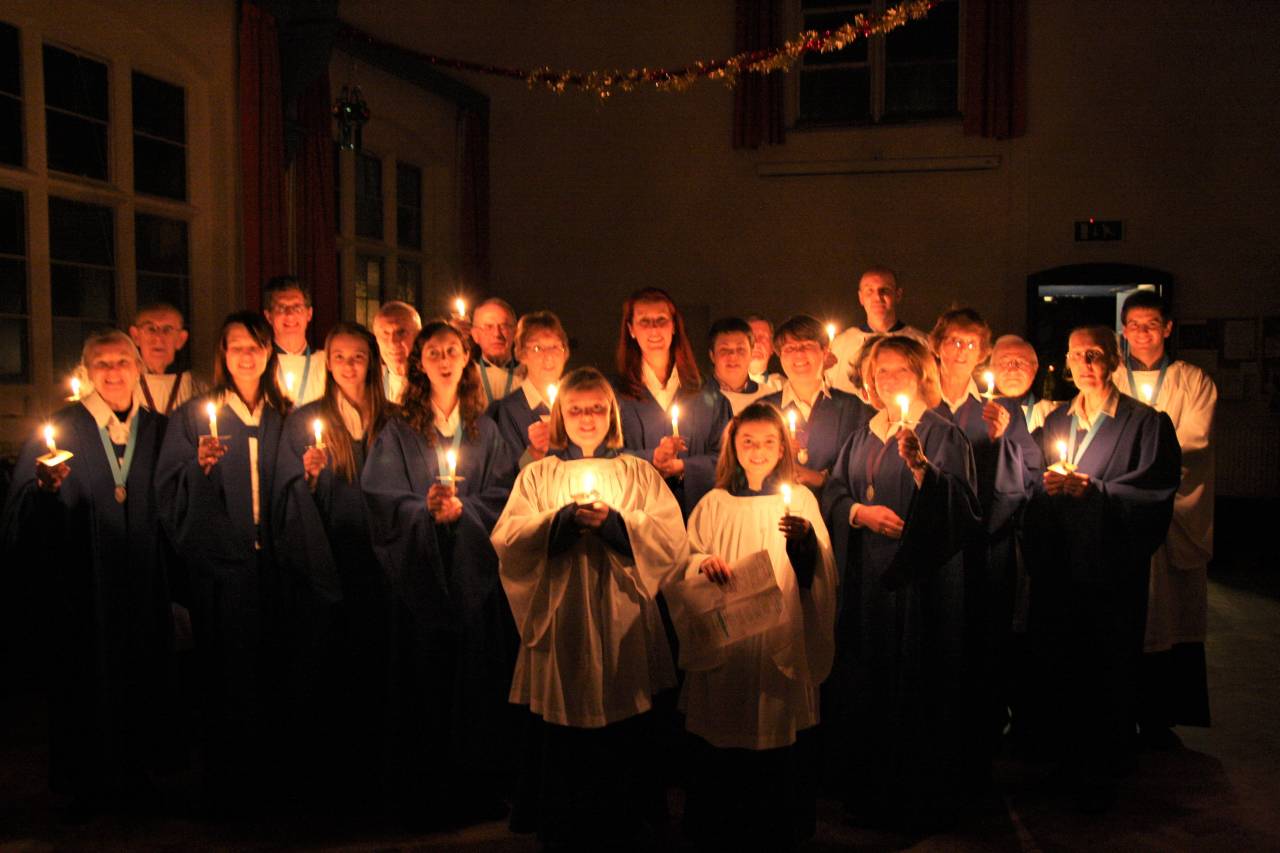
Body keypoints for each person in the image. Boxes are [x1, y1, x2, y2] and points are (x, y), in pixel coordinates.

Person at [490, 367, 689, 848]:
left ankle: (627, 821)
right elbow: (508, 537)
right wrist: (558, 523)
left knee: (624, 715)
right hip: (563, 617)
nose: (586, 418)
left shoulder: (637, 471)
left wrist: (616, 526)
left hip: (622, 612)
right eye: (575, 410)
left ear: (611, 414)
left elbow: (669, 537)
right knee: (565, 719)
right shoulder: (539, 474)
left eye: (596, 408)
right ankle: (565, 823)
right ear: (561, 414)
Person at [2, 331, 172, 817]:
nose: (114, 372)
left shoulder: (159, 430)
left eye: (122, 361)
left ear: (138, 368)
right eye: (102, 364)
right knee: (86, 674)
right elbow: (18, 516)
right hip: (84, 581)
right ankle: (87, 783)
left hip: (142, 576)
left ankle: (139, 775)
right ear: (87, 370)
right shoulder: (60, 427)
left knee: (141, 670)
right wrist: (43, 491)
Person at [821, 335, 980, 830]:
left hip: (921, 581)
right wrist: (857, 513)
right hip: (870, 580)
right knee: (870, 676)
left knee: (917, 676)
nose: (889, 381)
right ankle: (870, 787)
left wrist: (920, 469)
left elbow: (961, 506)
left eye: (900, 372)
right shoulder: (863, 434)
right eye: (881, 372)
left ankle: (917, 795)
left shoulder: (942, 434)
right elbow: (835, 492)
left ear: (920, 377)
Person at [361, 319, 516, 826]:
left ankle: (475, 791)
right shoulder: (399, 431)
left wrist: (463, 514)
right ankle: (422, 795)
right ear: (419, 364)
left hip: (473, 579)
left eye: (453, 350)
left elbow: (502, 498)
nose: (445, 360)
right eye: (434, 353)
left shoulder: (486, 429)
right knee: (422, 686)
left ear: (467, 358)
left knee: (473, 687)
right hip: (420, 582)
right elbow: (381, 496)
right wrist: (422, 510)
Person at [1022, 325, 1180, 812]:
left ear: (1113, 359)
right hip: (1060, 568)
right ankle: (1062, 762)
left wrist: (1098, 492)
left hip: (1109, 570)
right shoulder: (1054, 423)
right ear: (1065, 363)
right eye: (1076, 355)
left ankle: (1105, 768)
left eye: (1095, 354)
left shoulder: (1145, 423)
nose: (1085, 364)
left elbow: (1155, 490)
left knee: (1106, 663)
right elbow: (1028, 477)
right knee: (1060, 661)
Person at [677, 402, 836, 851]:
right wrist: (702, 563)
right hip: (727, 639)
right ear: (733, 445)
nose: (758, 449)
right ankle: (721, 826)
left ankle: (778, 828)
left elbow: (823, 572)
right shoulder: (714, 503)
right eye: (748, 441)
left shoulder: (801, 500)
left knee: (776, 723)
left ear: (783, 447)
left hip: (779, 635)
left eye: (769, 441)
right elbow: (686, 559)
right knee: (723, 730)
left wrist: (804, 544)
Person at [154, 311, 292, 813]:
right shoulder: (195, 416)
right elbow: (167, 490)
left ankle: (272, 783)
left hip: (274, 566)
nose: (247, 354)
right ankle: (227, 789)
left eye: (256, 345)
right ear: (223, 354)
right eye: (236, 346)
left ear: (271, 351)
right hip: (222, 569)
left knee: (273, 674)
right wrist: (199, 468)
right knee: (224, 678)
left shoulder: (284, 415)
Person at [272, 322, 389, 810]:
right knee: (332, 669)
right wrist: (311, 480)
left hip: (384, 560)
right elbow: (287, 496)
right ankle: (333, 783)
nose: (348, 365)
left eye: (358, 356)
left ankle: (381, 774)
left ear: (372, 361)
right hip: (335, 560)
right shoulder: (306, 420)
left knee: (381, 671)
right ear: (327, 362)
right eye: (338, 356)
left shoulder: (394, 417)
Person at [929, 308, 1042, 772]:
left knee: (981, 642)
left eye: (971, 344)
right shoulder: (917, 404)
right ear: (936, 345)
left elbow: (1029, 474)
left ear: (982, 354)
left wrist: (1002, 442)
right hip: (935, 545)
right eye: (953, 341)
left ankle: (978, 743)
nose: (960, 350)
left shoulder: (999, 411)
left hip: (983, 546)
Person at [1113, 291, 1216, 747]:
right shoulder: (1111, 377)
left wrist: (1150, 458)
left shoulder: (1194, 381)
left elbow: (1194, 443)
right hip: (1124, 514)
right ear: (1123, 330)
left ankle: (1161, 719)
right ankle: (1121, 710)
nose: (1142, 332)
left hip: (1172, 514)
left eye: (1151, 323)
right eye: (1133, 324)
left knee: (1170, 615)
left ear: (1168, 327)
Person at [612, 287, 732, 518]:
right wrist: (651, 459)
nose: (654, 329)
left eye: (661, 320)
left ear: (674, 326)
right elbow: (606, 454)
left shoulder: (706, 393)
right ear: (631, 330)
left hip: (699, 515)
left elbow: (728, 457)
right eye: (644, 322)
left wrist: (685, 467)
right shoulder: (615, 394)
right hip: (640, 515)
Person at [761, 315, 871, 499]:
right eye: (789, 349)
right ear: (780, 356)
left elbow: (863, 469)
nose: (799, 354)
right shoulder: (764, 409)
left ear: (825, 351)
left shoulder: (853, 408)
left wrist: (821, 479)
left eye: (807, 346)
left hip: (835, 515)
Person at [826, 265, 929, 394]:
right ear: (861, 298)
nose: (877, 297)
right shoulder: (840, 345)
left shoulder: (922, 344)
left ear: (898, 295)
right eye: (869, 291)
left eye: (885, 290)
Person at [489, 310, 570, 470]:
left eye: (555, 346)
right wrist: (534, 452)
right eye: (537, 348)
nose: (548, 356)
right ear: (521, 354)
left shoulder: (577, 404)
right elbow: (506, 478)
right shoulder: (508, 411)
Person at [263, 275, 326, 406]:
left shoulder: (326, 363)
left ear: (309, 314)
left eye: (297, 307)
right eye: (281, 308)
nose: (290, 314)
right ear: (269, 316)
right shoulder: (259, 363)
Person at [128, 302, 201, 415]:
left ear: (181, 339)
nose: (158, 337)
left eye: (167, 330)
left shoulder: (197, 386)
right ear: (135, 336)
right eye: (151, 329)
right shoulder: (120, 382)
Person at [705, 316, 775, 414]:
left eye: (741, 349)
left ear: (751, 353)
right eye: (724, 350)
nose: (733, 356)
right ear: (712, 355)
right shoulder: (697, 398)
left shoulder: (769, 399)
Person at [991, 335, 1058, 431]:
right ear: (993, 368)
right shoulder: (980, 413)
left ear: (1034, 368)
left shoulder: (1051, 413)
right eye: (1004, 362)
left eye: (1021, 362)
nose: (1013, 370)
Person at [470, 297, 521, 406]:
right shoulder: (465, 377)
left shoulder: (530, 375)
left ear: (515, 333)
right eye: (488, 327)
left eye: (504, 326)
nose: (497, 334)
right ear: (475, 335)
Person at [372, 300, 422, 405]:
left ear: (418, 336)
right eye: (385, 333)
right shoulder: (372, 386)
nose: (393, 342)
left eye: (401, 332)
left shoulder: (435, 383)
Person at [745, 314, 784, 389]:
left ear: (772, 347)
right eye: (750, 337)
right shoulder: (718, 389)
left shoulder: (785, 388)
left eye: (763, 337)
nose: (757, 342)